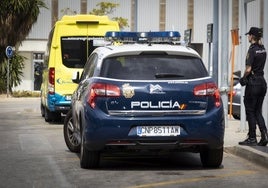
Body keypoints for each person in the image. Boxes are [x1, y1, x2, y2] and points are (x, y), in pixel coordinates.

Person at [239, 27, 268, 146]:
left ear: (252, 36)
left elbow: (249, 68)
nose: (248, 37)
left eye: (249, 35)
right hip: (262, 82)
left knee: (250, 111)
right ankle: (264, 135)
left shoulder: (252, 50)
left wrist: (243, 77)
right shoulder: (263, 49)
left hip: (253, 83)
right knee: (258, 111)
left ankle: (252, 138)